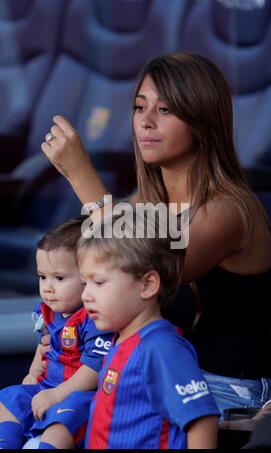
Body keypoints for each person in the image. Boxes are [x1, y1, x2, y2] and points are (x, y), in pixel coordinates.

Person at [41, 51, 271, 417]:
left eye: (165, 110)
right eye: (139, 107)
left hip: (224, 393)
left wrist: (81, 176)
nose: (145, 122)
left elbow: (136, 264)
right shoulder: (141, 206)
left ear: (203, 121)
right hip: (153, 371)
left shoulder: (228, 210)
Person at [78, 209, 219, 449]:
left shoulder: (161, 347)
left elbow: (202, 420)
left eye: (98, 282)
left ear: (148, 284)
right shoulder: (122, 338)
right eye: (84, 283)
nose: (85, 295)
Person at [0, 216, 113, 449]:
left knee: (61, 426)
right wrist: (34, 371)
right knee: (9, 399)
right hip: (47, 386)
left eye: (59, 278)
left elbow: (95, 368)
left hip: (80, 394)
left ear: (89, 278)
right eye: (42, 276)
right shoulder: (48, 312)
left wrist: (58, 395)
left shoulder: (93, 317)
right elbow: (44, 345)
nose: (47, 287)